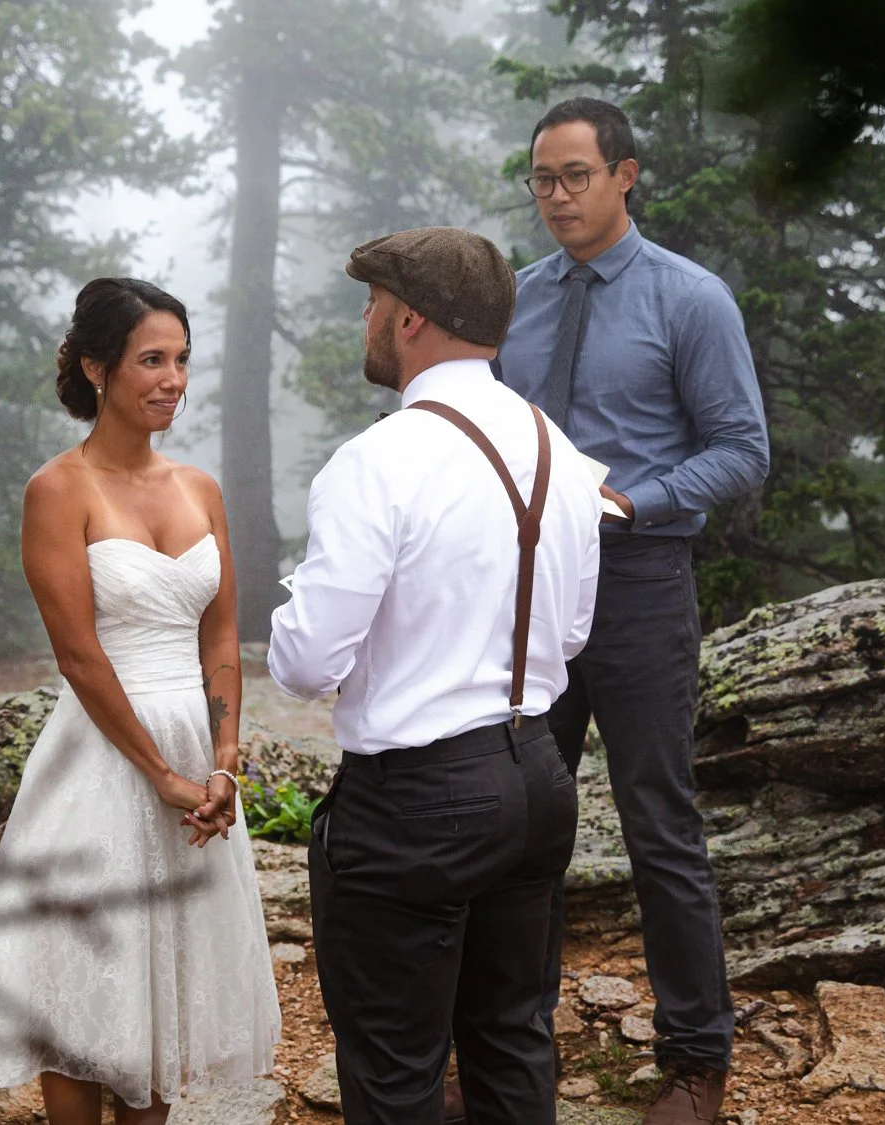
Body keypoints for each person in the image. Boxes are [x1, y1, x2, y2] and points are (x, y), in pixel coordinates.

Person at [0, 278, 281, 1124]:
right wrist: (159, 771)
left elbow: (222, 636)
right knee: (87, 994)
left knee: (161, 992)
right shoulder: (59, 489)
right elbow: (79, 654)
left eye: (182, 359)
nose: (173, 379)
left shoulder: (201, 488)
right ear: (96, 368)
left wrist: (221, 764)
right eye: (151, 359)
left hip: (194, 755)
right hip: (102, 757)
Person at [270, 227, 602, 1125]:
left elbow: (305, 663)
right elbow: (570, 636)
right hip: (538, 776)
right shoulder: (561, 454)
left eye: (372, 304)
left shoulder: (376, 462)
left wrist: (295, 603)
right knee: (511, 1040)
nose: (367, 320)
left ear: (410, 317)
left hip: (417, 798)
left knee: (394, 1069)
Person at [494, 97, 771, 1125]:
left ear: (624, 175)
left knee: (659, 828)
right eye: (539, 179)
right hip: (528, 597)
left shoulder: (688, 299)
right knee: (520, 821)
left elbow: (741, 451)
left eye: (573, 175)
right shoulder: (511, 302)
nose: (554, 196)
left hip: (640, 587)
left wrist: (630, 497)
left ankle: (697, 1064)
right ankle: (507, 1055)